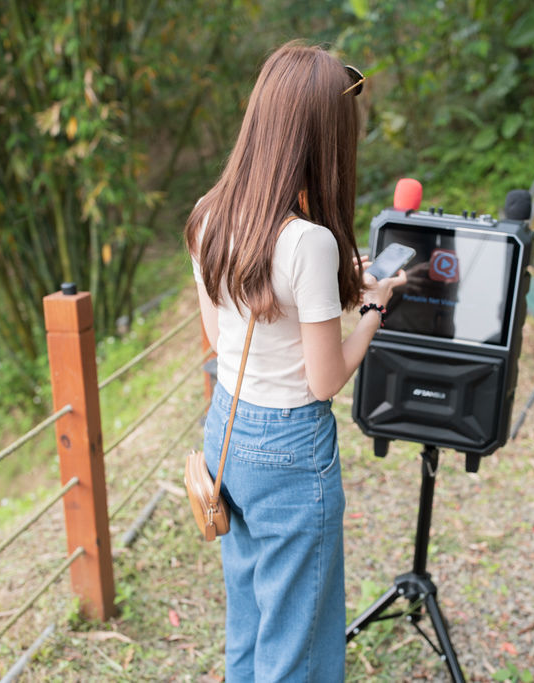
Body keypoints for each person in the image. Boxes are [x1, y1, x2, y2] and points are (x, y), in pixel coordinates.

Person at [184, 41, 406, 682]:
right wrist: (373, 309)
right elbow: (325, 379)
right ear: (321, 139)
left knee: (251, 622)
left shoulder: (209, 215)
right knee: (299, 647)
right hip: (287, 449)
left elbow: (219, 329)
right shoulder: (308, 242)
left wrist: (335, 287)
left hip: (227, 431)